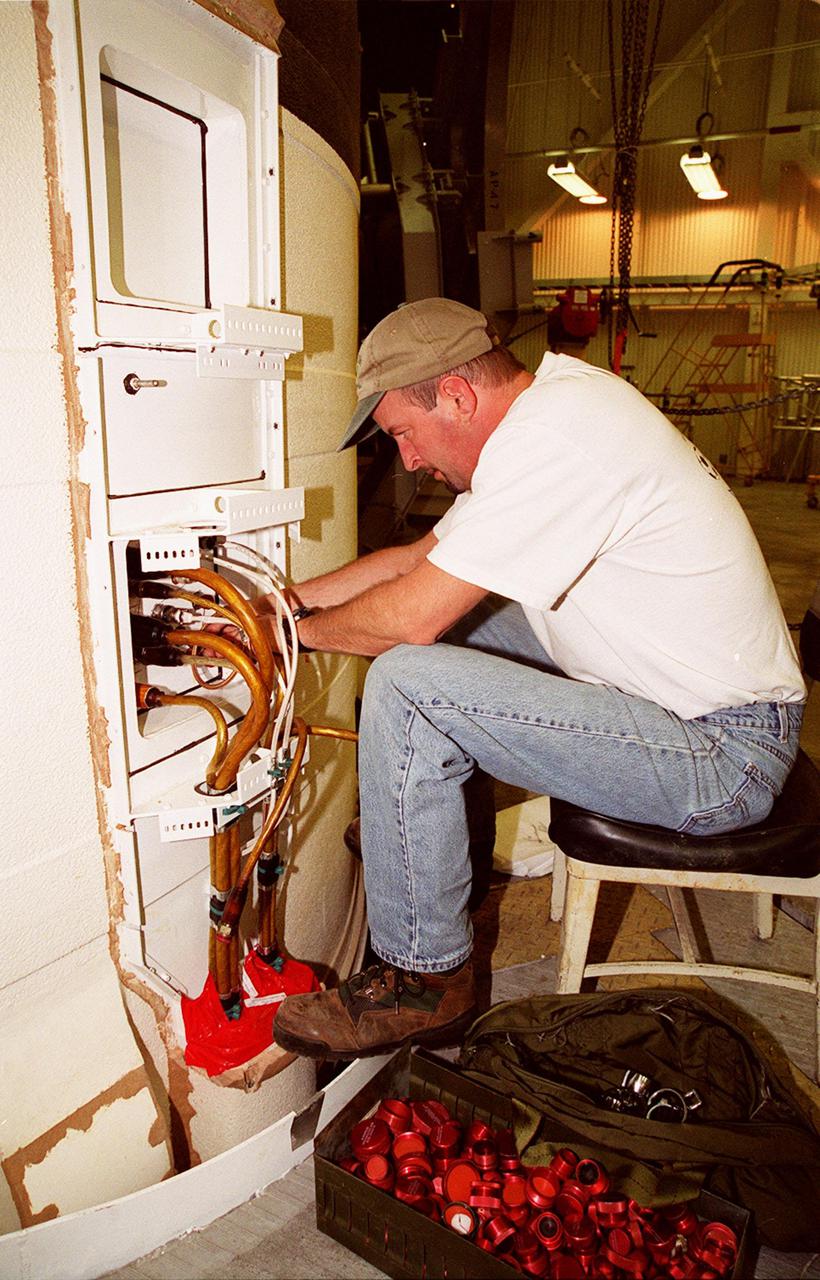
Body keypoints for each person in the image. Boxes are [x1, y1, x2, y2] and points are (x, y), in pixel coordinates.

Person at [267, 296, 806, 1061]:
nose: (410, 460)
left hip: (721, 758)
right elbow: (419, 561)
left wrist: (300, 638)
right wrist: (290, 604)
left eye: (403, 435)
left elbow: (409, 619)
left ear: (455, 394)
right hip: (669, 700)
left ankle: (424, 978)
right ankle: (430, 842)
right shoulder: (552, 413)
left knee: (410, 680)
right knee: (454, 626)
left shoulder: (561, 439)